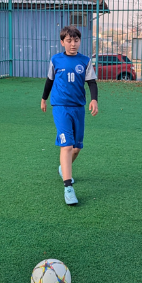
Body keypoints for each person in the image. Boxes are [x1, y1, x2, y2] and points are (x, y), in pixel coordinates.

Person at [40, 26, 99, 206]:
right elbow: (49, 80)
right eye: (69, 41)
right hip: (60, 107)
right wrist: (44, 99)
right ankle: (68, 187)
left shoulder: (85, 61)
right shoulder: (56, 60)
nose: (73, 44)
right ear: (62, 42)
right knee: (66, 145)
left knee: (77, 147)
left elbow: (92, 82)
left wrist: (94, 100)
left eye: (76, 40)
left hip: (78, 107)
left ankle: (63, 168)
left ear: (80, 41)